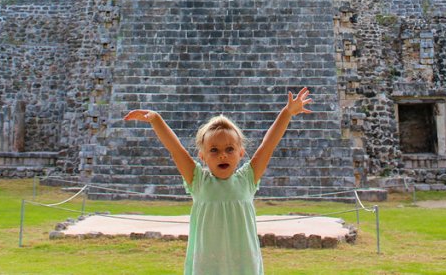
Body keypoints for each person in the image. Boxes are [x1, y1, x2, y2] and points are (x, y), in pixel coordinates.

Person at [124, 87, 313, 275]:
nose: (223, 155)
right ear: (203, 156)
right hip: (207, 266)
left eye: (229, 149)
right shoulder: (198, 181)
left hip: (244, 266)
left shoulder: (247, 179)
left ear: (240, 153)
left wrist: (287, 113)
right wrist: (156, 120)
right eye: (214, 150)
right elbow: (176, 149)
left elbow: (268, 144)